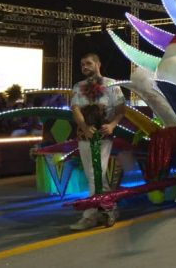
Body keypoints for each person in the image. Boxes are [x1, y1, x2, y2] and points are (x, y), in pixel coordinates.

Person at [69, 53, 125, 231]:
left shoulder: (111, 84)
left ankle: (90, 216)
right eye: (82, 64)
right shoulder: (78, 86)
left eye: (88, 63)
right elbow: (75, 109)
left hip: (103, 136)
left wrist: (112, 125)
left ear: (98, 64)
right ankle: (110, 208)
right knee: (93, 175)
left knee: (95, 173)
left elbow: (121, 110)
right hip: (84, 136)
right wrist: (85, 128)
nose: (84, 66)